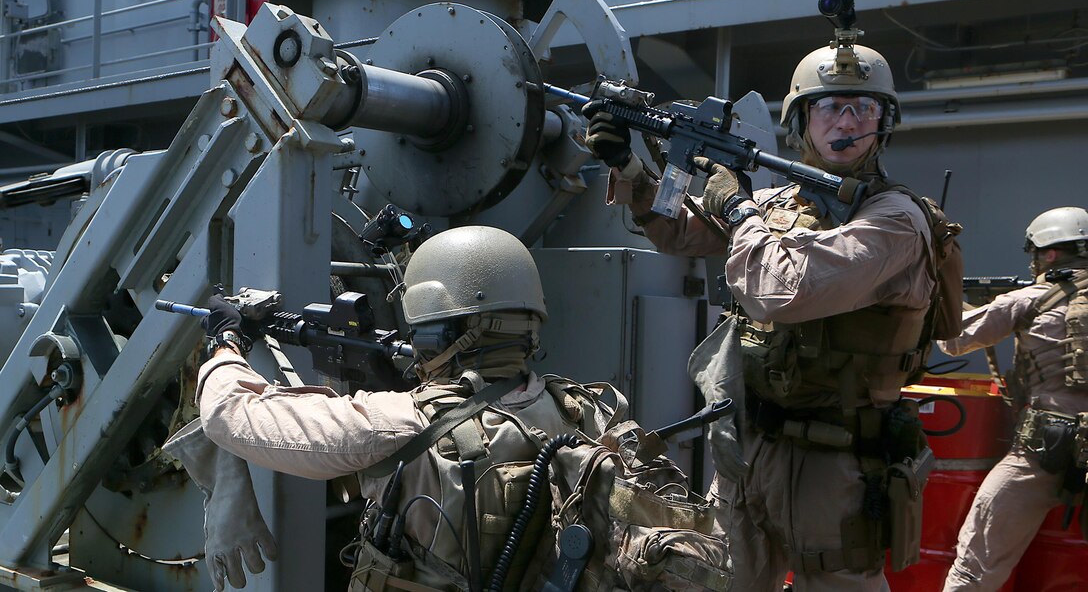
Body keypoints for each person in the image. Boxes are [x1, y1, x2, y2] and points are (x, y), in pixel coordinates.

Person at [584, 34, 959, 590]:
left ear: (884, 123)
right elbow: (677, 232)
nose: (846, 120)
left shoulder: (897, 220)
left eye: (863, 107)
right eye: (829, 106)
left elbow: (781, 288)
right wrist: (632, 168)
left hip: (840, 463)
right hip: (749, 446)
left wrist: (735, 205)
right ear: (802, 120)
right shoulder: (781, 205)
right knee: (730, 579)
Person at [167, 225, 730, 592]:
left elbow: (230, 415)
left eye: (426, 332)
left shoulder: (399, 421)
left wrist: (226, 341)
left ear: (451, 334)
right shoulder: (586, 409)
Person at [939, 207, 1088, 591]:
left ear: (1050, 254)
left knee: (976, 566)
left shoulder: (1031, 299)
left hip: (1044, 451)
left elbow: (953, 339)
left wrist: (954, 296)